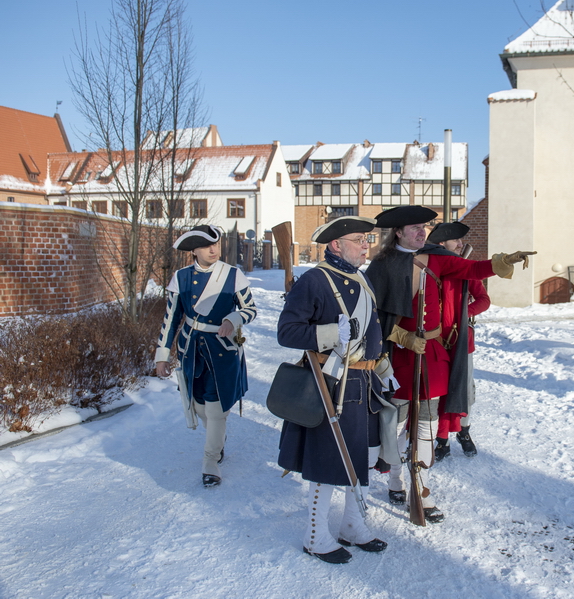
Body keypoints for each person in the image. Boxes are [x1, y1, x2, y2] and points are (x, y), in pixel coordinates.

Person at [366, 206, 534, 524]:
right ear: (398, 233)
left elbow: (472, 270)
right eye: (414, 228)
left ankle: (422, 488)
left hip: (433, 356)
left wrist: (502, 262)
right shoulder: (381, 265)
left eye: (424, 227)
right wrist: (400, 335)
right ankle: (395, 480)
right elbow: (369, 315)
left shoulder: (438, 258)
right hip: (399, 358)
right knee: (399, 424)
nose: (421, 232)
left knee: (427, 427)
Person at [276, 216, 399, 565]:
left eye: (367, 239)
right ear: (335, 246)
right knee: (330, 461)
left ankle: (352, 524)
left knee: (363, 457)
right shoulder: (315, 281)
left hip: (365, 381)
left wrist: (384, 368)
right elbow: (287, 332)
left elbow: (373, 331)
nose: (366, 245)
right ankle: (315, 534)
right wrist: (330, 334)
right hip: (334, 383)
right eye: (360, 239)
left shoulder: (361, 278)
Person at [155, 225, 257, 488]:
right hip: (191, 349)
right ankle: (216, 439)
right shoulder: (181, 277)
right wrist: (162, 356)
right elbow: (171, 319)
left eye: (216, 244)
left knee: (215, 407)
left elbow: (249, 309)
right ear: (194, 250)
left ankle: (210, 460)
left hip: (222, 349)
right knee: (198, 404)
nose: (214, 250)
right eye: (206, 246)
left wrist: (233, 319)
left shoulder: (232, 275)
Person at [423, 222, 491, 461]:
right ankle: (441, 439)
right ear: (442, 244)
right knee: (440, 391)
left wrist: (464, 313)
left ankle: (464, 431)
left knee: (464, 390)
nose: (461, 244)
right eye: (456, 241)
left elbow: (483, 299)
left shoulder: (466, 268)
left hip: (461, 339)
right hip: (434, 342)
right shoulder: (427, 266)